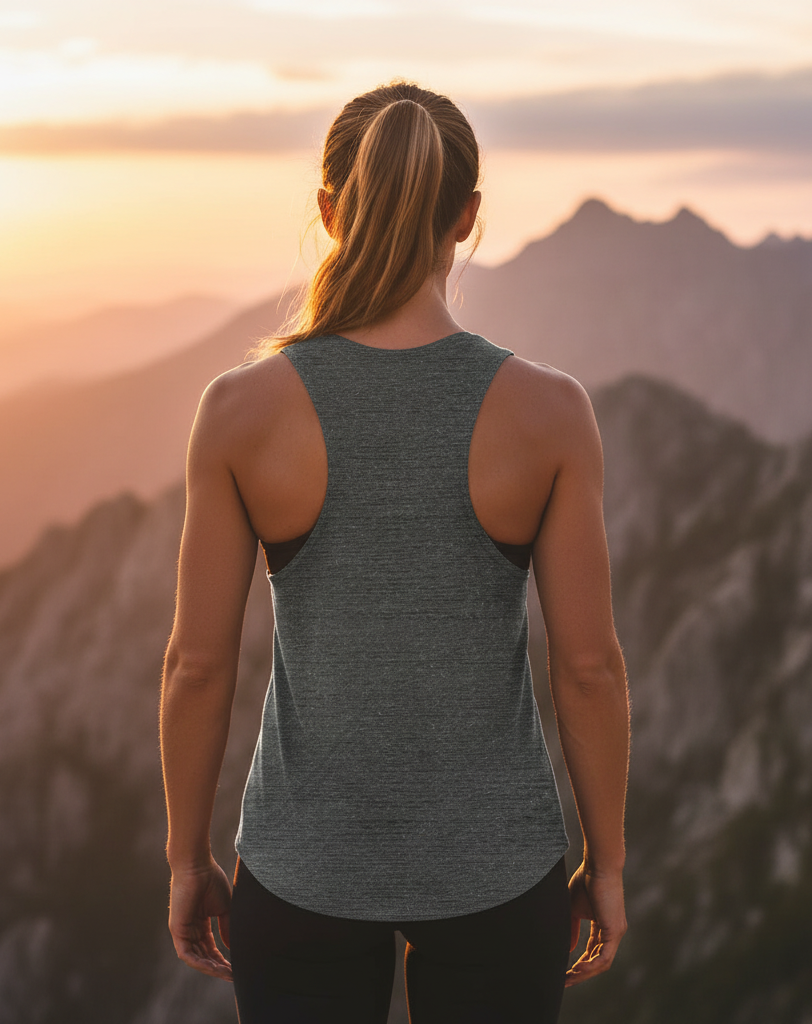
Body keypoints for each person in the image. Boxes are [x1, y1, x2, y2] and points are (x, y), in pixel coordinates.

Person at [159, 81, 630, 1024]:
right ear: (468, 217)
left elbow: (195, 666)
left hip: (300, 872)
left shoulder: (240, 411)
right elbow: (588, 669)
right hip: (501, 874)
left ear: (329, 210)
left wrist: (185, 858)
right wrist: (606, 864)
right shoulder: (549, 413)